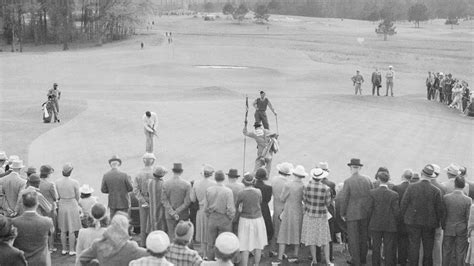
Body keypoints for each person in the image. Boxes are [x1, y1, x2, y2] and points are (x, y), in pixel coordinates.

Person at [400, 164, 444, 266]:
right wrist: (438, 223)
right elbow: (439, 210)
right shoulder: (436, 191)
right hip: (429, 224)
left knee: (414, 247)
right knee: (428, 249)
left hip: (413, 222)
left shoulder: (412, 187)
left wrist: (403, 219)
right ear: (431, 176)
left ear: (421, 174)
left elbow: (404, 204)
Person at [79, 212, 147, 266]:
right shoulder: (131, 247)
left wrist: (95, 264)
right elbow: (151, 254)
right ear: (126, 228)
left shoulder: (98, 244)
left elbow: (82, 258)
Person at [339, 158, 373, 266]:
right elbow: (371, 196)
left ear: (351, 168)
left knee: (353, 239)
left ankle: (356, 261)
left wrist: (342, 213)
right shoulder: (367, 180)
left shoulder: (348, 181)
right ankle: (362, 259)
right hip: (365, 213)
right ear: (360, 168)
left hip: (352, 214)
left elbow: (344, 199)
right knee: (363, 237)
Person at [12, 191, 54, 266]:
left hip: (21, 261)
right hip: (40, 261)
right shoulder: (47, 221)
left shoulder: (14, 222)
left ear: (23, 205)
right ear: (37, 204)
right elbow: (51, 233)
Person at [301, 167, 333, 266]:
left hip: (310, 214)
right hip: (321, 215)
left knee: (311, 238)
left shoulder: (306, 186)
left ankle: (314, 260)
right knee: (325, 239)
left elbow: (304, 200)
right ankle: (327, 261)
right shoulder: (326, 188)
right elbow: (328, 203)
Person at [367, 171, 399, 266]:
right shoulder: (394, 194)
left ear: (378, 179)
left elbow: (369, 209)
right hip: (390, 225)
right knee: (388, 248)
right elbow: (396, 211)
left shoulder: (372, 193)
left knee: (376, 247)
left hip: (375, 224)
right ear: (388, 180)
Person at [236, 173, 267, 266]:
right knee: (258, 244)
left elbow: (237, 204)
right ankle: (256, 264)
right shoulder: (258, 191)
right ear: (253, 182)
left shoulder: (241, 193)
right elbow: (260, 202)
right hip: (257, 219)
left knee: (244, 246)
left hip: (245, 220)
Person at [204, 170, 236, 260]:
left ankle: (210, 262)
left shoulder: (209, 190)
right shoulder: (228, 191)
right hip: (224, 218)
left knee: (211, 243)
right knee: (224, 243)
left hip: (212, 218)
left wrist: (209, 216)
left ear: (215, 178)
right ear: (224, 178)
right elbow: (230, 209)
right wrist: (230, 218)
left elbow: (205, 208)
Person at [276, 165, 305, 263]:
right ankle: (295, 255)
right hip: (298, 209)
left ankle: (280, 256)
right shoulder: (303, 185)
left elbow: (282, 198)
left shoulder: (288, 185)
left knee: (284, 232)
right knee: (297, 231)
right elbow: (304, 200)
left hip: (288, 209)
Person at [442, 176, 471, 266]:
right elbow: (468, 217)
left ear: (455, 184)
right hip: (462, 228)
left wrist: (444, 225)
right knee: (460, 252)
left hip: (448, 227)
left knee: (446, 251)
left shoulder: (446, 198)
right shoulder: (468, 200)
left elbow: (443, 215)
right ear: (463, 186)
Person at [190, 164, 216, 258]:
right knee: (210, 234)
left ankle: (204, 254)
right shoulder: (214, 184)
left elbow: (192, 199)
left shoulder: (196, 183)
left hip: (201, 211)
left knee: (202, 233)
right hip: (210, 211)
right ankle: (209, 255)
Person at [55, 163, 81, 255]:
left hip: (62, 203)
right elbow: (78, 196)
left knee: (63, 229)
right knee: (72, 228)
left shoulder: (57, 182)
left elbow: (57, 195)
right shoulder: (75, 182)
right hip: (72, 203)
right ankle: (72, 249)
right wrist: (76, 203)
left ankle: (64, 249)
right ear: (71, 172)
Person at [161, 163, 191, 240]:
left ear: (173, 171)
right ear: (181, 172)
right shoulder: (187, 184)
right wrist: (177, 211)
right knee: (183, 236)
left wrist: (172, 212)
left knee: (171, 235)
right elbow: (187, 202)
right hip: (183, 214)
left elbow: (164, 200)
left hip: (169, 215)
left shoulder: (166, 183)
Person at [133, 152, 156, 247]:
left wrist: (142, 200)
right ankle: (152, 244)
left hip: (142, 200)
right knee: (153, 223)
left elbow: (135, 190)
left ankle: (143, 244)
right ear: (153, 161)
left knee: (143, 222)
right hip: (153, 200)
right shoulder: (155, 173)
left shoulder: (139, 173)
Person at [269, 162, 292, 257]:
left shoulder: (274, 179)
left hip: (276, 206)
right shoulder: (287, 183)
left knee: (276, 229)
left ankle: (272, 249)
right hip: (284, 207)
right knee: (282, 231)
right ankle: (280, 251)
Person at [316, 162, 336, 263]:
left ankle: (317, 256)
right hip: (329, 211)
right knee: (329, 234)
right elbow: (333, 197)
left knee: (317, 233)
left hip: (318, 211)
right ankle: (330, 255)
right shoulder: (331, 184)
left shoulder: (314, 183)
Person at [393, 169, 413, 266]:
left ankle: (402, 260)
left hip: (400, 218)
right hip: (411, 218)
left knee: (401, 241)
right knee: (411, 241)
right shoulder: (414, 187)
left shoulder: (396, 187)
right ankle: (409, 258)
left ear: (402, 176)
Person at [38, 164, 58, 252]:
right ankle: (51, 246)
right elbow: (55, 197)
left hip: (40, 207)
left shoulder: (37, 182)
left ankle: (44, 246)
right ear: (48, 174)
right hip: (50, 208)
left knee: (42, 227)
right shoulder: (50, 184)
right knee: (51, 227)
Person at [254, 168, 273, 246]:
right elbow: (268, 199)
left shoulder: (253, 186)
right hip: (264, 208)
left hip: (254, 208)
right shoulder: (268, 188)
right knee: (267, 226)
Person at [149, 165, 167, 232]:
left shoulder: (150, 182)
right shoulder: (163, 184)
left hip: (152, 207)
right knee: (161, 223)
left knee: (154, 223)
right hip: (160, 207)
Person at [225, 168, 243, 234]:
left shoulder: (225, 186)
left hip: (227, 212)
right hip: (238, 211)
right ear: (236, 178)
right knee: (237, 231)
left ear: (229, 177)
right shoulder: (241, 186)